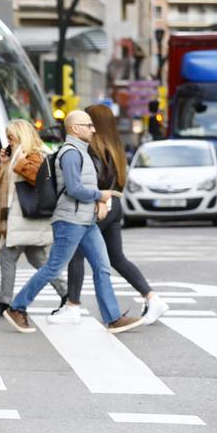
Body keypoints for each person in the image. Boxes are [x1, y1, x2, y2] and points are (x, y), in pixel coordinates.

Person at [3, 110, 144, 334]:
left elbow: (81, 185)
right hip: (70, 220)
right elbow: (74, 188)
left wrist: (97, 200)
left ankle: (113, 318)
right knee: (52, 268)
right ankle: (17, 307)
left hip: (85, 221)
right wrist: (100, 196)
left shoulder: (82, 152)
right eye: (88, 125)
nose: (93, 129)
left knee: (102, 267)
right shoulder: (70, 153)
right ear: (75, 129)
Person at [50, 104, 167, 325]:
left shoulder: (93, 148)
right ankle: (152, 298)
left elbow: (93, 181)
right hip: (114, 206)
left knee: (77, 253)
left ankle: (73, 306)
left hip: (100, 206)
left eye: (90, 121)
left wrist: (98, 201)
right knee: (117, 258)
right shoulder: (115, 146)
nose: (89, 127)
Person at [0, 119, 68, 317]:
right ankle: (67, 293)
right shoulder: (17, 155)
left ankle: (3, 300)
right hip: (22, 220)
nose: (9, 142)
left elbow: (36, 177)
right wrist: (5, 163)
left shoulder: (35, 154)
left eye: (11, 138)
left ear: (22, 136)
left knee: (7, 256)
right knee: (38, 259)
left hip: (24, 219)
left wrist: (18, 160)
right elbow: (4, 179)